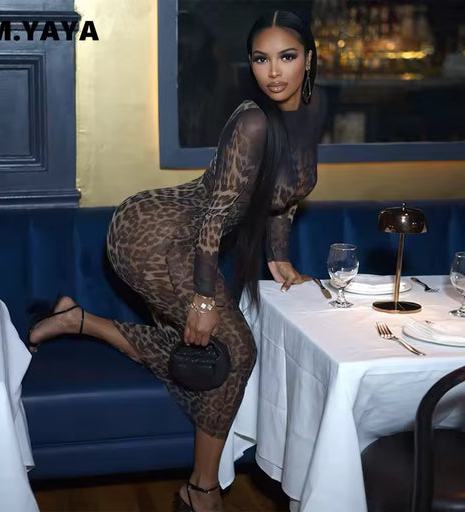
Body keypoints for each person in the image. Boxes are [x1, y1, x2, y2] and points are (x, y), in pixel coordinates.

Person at [28, 9, 320, 512]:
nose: (273, 71)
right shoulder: (253, 121)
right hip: (152, 232)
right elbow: (216, 215)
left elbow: (283, 198)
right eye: (261, 59)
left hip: (185, 238)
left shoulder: (305, 118)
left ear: (309, 60)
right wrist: (203, 300)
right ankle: (202, 490)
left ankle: (77, 320)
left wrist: (280, 259)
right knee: (237, 350)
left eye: (287, 57)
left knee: (212, 350)